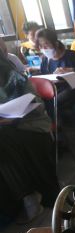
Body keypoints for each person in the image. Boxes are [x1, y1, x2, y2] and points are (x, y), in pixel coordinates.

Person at [0, 44, 59, 223]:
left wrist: (9, 119)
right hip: (7, 127)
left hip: (31, 125)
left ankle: (27, 197)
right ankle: (17, 200)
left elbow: (34, 106)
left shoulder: (15, 78)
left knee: (3, 141)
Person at [36, 29, 75, 155]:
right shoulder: (46, 61)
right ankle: (60, 140)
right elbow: (43, 79)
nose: (44, 48)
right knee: (51, 106)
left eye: (46, 44)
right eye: (41, 46)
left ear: (55, 43)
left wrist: (71, 70)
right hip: (57, 95)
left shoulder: (71, 55)